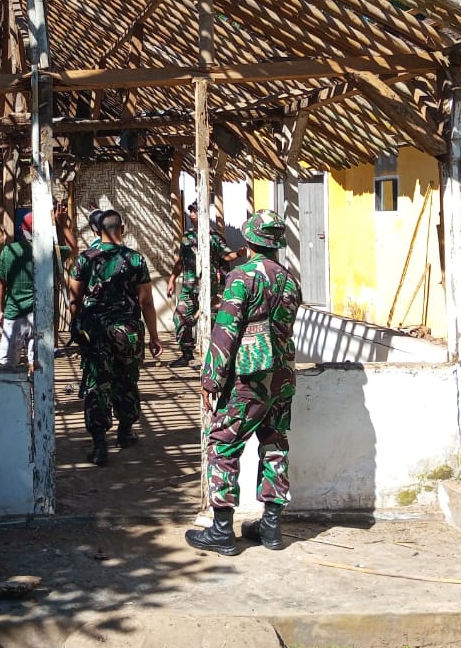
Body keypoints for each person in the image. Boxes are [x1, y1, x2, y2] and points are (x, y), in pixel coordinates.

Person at [185, 209, 301, 556]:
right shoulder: (290, 281)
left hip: (249, 379)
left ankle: (222, 530)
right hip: (282, 377)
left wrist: (211, 379)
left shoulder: (242, 277)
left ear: (249, 240)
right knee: (275, 444)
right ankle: (271, 527)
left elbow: (226, 331)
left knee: (222, 443)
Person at [68, 209, 162, 466]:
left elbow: (74, 299)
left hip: (95, 332)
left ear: (98, 231)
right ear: (123, 228)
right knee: (127, 379)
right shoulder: (135, 259)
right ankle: (125, 432)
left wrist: (76, 325)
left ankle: (100, 444)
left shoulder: (85, 259)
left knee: (97, 383)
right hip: (127, 331)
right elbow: (146, 302)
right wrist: (154, 336)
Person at [0, 204, 76, 371]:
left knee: (6, 364)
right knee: (37, 363)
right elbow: (73, 249)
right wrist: (62, 224)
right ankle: (35, 386)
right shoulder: (48, 251)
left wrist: (1, 310)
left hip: (14, 312)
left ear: (22, 230)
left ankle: (10, 387)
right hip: (40, 313)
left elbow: (1, 283)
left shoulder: (8, 251)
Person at [167, 200, 239, 367]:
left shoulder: (214, 236)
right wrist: (172, 279)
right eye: (191, 211)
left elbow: (226, 256)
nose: (192, 214)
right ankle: (186, 354)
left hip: (209, 288)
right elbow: (180, 261)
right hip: (189, 286)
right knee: (180, 317)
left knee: (212, 321)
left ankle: (214, 358)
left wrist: (239, 254)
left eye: (196, 211)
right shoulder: (187, 237)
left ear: (204, 214)